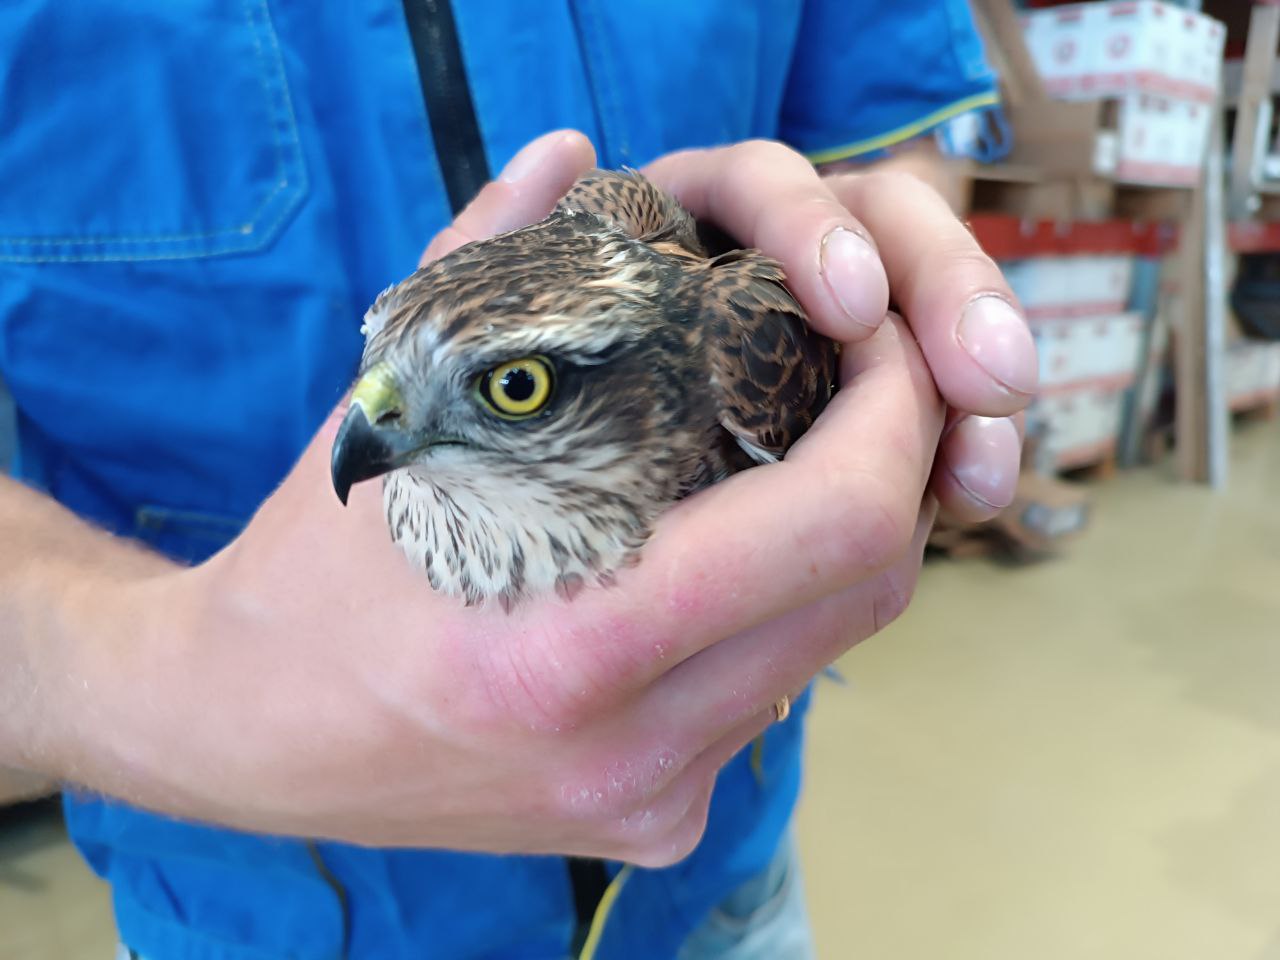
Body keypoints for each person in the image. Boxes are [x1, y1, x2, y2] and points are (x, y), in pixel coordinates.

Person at [0, 2, 1036, 957]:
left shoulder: (733, 356)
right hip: (252, 919)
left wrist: (871, 272)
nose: (366, 425)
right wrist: (176, 688)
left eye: (516, 387)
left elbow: (894, 120)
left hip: (721, 889)